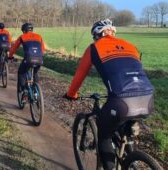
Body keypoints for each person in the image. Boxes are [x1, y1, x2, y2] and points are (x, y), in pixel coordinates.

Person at [63, 18, 154, 170]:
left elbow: (79, 76)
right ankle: (132, 159)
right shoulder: (131, 46)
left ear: (97, 34)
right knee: (124, 123)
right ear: (112, 32)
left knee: (104, 135)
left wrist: (71, 94)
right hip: (148, 98)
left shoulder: (94, 48)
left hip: (121, 102)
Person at [9, 23, 45, 92]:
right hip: (40, 59)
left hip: (28, 59)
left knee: (21, 72)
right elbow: (43, 49)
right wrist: (39, 56)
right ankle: (36, 91)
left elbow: (14, 48)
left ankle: (23, 90)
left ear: (24, 30)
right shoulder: (39, 36)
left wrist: (10, 56)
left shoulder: (22, 36)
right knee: (35, 72)